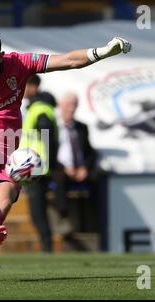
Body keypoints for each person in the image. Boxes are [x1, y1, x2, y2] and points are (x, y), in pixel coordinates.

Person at [0, 30, 131, 283]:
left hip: (8, 152)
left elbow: (67, 61)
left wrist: (102, 52)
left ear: (1, 56)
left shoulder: (19, 64)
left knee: (4, 202)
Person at [55, 92, 100, 235]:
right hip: (61, 169)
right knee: (59, 178)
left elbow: (90, 152)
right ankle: (63, 217)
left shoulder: (82, 127)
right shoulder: (52, 127)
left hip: (80, 170)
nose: (71, 108)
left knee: (98, 177)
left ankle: (98, 218)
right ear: (60, 105)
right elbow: (47, 153)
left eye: (74, 105)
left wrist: (84, 168)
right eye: (68, 104)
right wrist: (64, 168)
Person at [21, 91, 59, 253]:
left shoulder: (39, 110)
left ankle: (47, 246)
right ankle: (46, 245)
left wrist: (48, 163)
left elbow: (46, 136)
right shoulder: (42, 110)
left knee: (37, 211)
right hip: (38, 166)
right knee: (39, 210)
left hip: (37, 167)